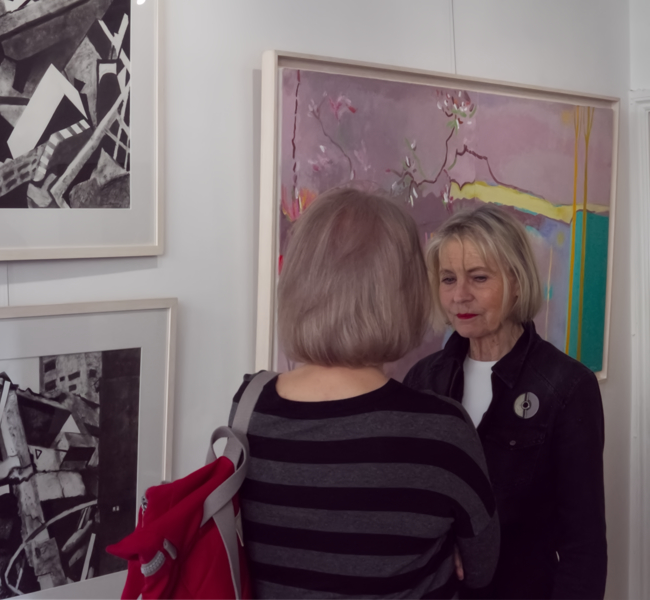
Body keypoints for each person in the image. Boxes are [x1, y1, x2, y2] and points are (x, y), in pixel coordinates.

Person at [231, 187, 500, 599]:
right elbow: (480, 569)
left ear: (299, 283)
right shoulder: (441, 431)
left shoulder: (249, 405)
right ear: (405, 294)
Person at [403, 204, 607, 599]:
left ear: (516, 281)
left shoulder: (567, 386)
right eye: (448, 279)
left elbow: (584, 548)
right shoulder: (422, 380)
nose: (460, 295)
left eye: (479, 277)